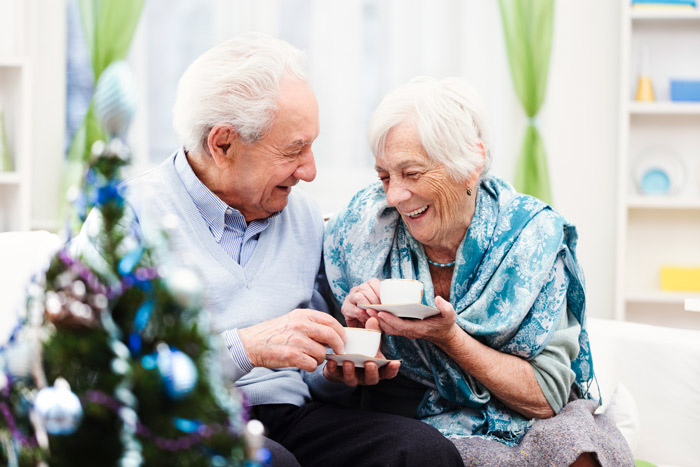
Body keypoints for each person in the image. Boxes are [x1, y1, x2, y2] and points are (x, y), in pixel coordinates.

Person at [74, 35, 464, 467]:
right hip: (179, 421)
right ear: (223, 144)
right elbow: (87, 369)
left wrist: (336, 369)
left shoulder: (301, 218)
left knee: (425, 453)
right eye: (294, 150)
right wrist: (244, 348)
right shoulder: (125, 217)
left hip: (291, 418)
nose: (310, 171)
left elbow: (310, 378)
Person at [323, 77, 635, 466]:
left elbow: (548, 396)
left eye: (413, 173)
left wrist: (449, 338)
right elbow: (326, 382)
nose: (394, 195)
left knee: (579, 446)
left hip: (527, 412)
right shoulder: (358, 233)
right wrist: (352, 345)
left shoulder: (529, 238)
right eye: (385, 176)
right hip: (415, 419)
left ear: (470, 165)